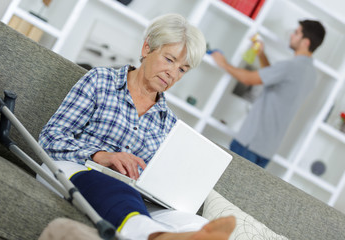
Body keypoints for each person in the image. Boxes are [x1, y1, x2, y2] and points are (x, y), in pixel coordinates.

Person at [38, 13, 236, 240]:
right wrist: (101, 156)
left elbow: (157, 183)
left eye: (182, 69)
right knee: (117, 190)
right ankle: (155, 236)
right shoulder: (100, 80)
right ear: (147, 48)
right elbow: (49, 138)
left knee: (192, 222)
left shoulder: (169, 123)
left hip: (134, 195)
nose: (172, 73)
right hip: (72, 169)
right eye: (169, 60)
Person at [211, 19, 326, 168]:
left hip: (249, 144)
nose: (292, 35)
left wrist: (223, 63)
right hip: (266, 150)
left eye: (297, 33)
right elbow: (273, 79)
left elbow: (249, 79)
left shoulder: (290, 66)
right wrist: (261, 54)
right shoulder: (311, 74)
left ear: (306, 42)